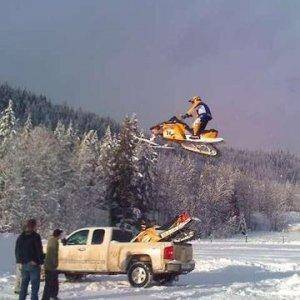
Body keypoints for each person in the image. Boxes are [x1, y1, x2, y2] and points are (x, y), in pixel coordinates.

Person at [15, 219, 44, 300]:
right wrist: (40, 261)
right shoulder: (36, 236)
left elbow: (17, 250)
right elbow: (39, 250)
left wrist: (19, 261)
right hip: (33, 264)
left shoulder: (21, 236)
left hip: (24, 264)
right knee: (34, 288)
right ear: (34, 226)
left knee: (23, 286)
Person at [42, 229, 63, 300]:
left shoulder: (51, 240)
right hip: (51, 266)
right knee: (49, 283)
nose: (61, 236)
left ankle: (53, 295)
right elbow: (53, 253)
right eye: (61, 234)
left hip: (49, 265)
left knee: (54, 282)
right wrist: (55, 264)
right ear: (58, 235)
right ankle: (46, 297)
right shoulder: (54, 242)